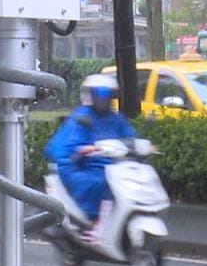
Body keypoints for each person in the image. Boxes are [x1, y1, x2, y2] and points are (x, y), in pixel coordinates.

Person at [44, 74, 137, 240]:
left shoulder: (116, 119)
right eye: (99, 94)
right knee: (98, 183)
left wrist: (141, 146)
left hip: (112, 167)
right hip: (79, 165)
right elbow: (70, 147)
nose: (103, 99)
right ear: (92, 96)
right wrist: (84, 149)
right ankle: (92, 223)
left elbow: (130, 137)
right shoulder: (82, 117)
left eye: (106, 95)